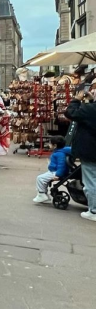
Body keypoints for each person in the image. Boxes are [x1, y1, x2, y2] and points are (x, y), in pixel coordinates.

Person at [66, 90, 96, 221]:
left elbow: (70, 113)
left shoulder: (90, 109)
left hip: (91, 151)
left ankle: (93, 211)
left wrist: (76, 99)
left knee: (91, 181)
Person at [32, 136, 72, 204]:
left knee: (40, 178)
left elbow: (61, 165)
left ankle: (41, 194)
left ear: (55, 145)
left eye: (50, 143)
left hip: (56, 172)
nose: (49, 145)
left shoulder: (59, 154)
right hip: (55, 171)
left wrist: (58, 175)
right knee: (42, 178)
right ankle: (44, 194)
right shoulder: (60, 151)